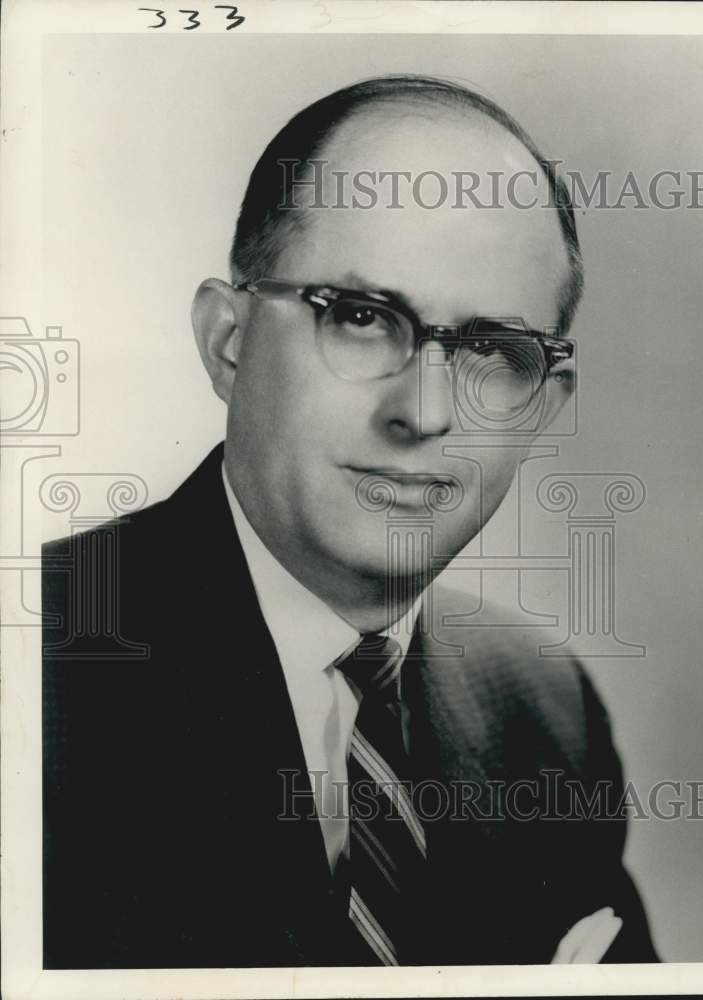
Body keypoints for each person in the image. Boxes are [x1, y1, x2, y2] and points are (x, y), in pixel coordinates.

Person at [42, 75, 658, 968]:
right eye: (364, 319)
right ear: (229, 341)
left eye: (492, 351)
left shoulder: (545, 713)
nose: (424, 411)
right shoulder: (36, 671)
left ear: (542, 403)